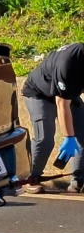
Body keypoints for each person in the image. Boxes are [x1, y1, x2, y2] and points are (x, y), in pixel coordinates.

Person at [20, 43, 84, 194]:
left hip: (68, 94)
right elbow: (62, 103)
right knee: (45, 138)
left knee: (83, 133)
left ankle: (77, 181)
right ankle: (30, 178)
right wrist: (69, 136)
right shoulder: (69, 63)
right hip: (38, 93)